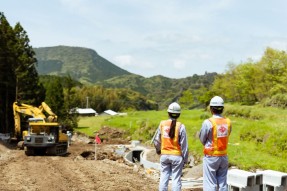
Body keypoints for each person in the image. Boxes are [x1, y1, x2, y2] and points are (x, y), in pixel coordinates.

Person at [153, 102, 189, 191]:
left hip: (164, 155)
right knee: (176, 179)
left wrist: (158, 150)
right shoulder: (181, 126)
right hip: (177, 156)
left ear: (168, 113)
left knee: (164, 177)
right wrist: (185, 159)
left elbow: (156, 140)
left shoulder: (162, 124)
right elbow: (184, 145)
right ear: (178, 114)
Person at [199, 96, 232, 191]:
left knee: (210, 183)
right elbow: (228, 134)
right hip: (224, 155)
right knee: (222, 182)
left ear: (211, 109)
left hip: (211, 156)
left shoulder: (208, 122)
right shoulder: (228, 122)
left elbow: (202, 138)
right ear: (222, 109)